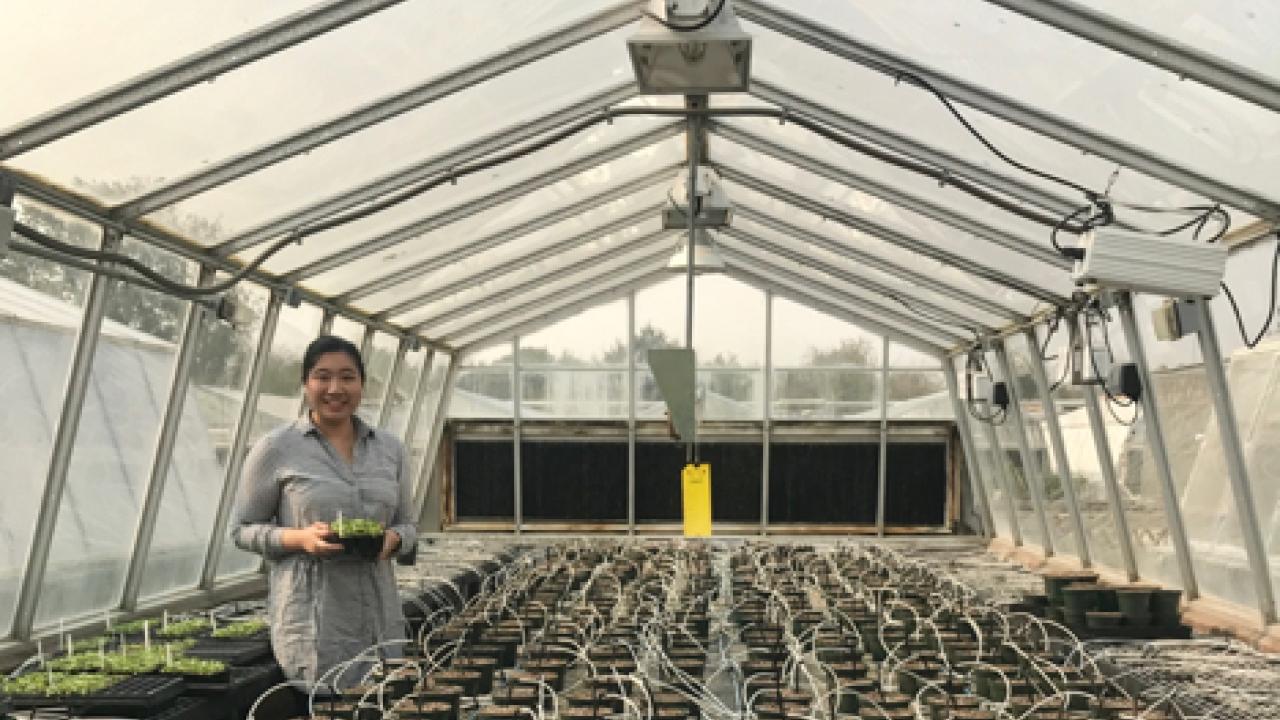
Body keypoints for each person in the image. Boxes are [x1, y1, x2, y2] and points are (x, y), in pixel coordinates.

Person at [231, 335, 418, 688]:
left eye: (348, 377)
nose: (335, 388)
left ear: (363, 384)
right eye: (322, 376)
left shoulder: (390, 449)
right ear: (305, 384)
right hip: (314, 620)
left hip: (379, 616)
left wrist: (394, 539)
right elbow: (242, 529)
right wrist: (300, 538)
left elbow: (408, 525)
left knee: (381, 704)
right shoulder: (276, 448)